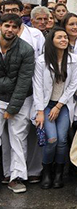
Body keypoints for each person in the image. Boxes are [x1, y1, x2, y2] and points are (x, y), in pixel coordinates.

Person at [33, 27, 77, 190]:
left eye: (66, 37)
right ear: (51, 40)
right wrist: (40, 112)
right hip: (45, 105)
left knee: (62, 141)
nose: (64, 40)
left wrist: (59, 106)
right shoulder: (41, 61)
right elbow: (37, 87)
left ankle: (59, 174)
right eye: (60, 37)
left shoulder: (74, 60)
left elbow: (73, 85)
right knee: (51, 139)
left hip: (63, 105)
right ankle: (47, 172)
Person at [0, 13, 35, 193]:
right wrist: (7, 83)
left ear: (19, 29)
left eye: (14, 27)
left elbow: (23, 82)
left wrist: (12, 108)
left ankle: (17, 177)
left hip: (21, 100)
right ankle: (5, 173)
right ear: (1, 26)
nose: (10, 30)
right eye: (7, 25)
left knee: (18, 139)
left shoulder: (26, 50)